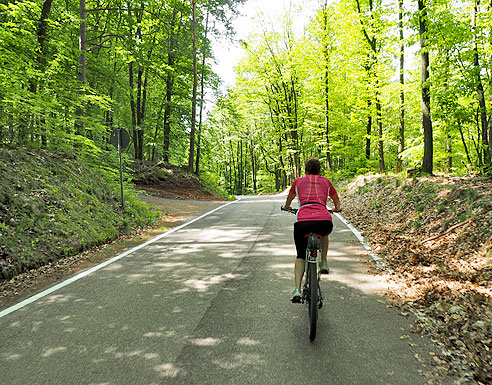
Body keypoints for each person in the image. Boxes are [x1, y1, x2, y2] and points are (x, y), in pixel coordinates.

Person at [283, 158, 341, 302]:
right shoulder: (326, 182)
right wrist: (337, 209)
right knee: (324, 233)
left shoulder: (298, 182)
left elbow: (289, 199)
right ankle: (324, 262)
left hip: (303, 222)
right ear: (320, 172)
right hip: (324, 221)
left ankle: (297, 289)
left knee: (300, 255)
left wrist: (287, 207)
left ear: (305, 171)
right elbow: (336, 199)